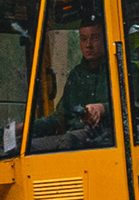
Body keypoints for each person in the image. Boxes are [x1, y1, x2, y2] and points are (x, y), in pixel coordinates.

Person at [26, 20, 113, 151]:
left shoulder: (121, 69)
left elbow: (128, 106)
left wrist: (102, 108)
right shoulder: (76, 74)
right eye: (83, 39)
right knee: (29, 146)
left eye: (95, 38)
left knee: (69, 141)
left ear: (106, 39)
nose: (88, 45)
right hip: (78, 134)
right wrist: (25, 127)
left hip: (109, 134)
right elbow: (61, 117)